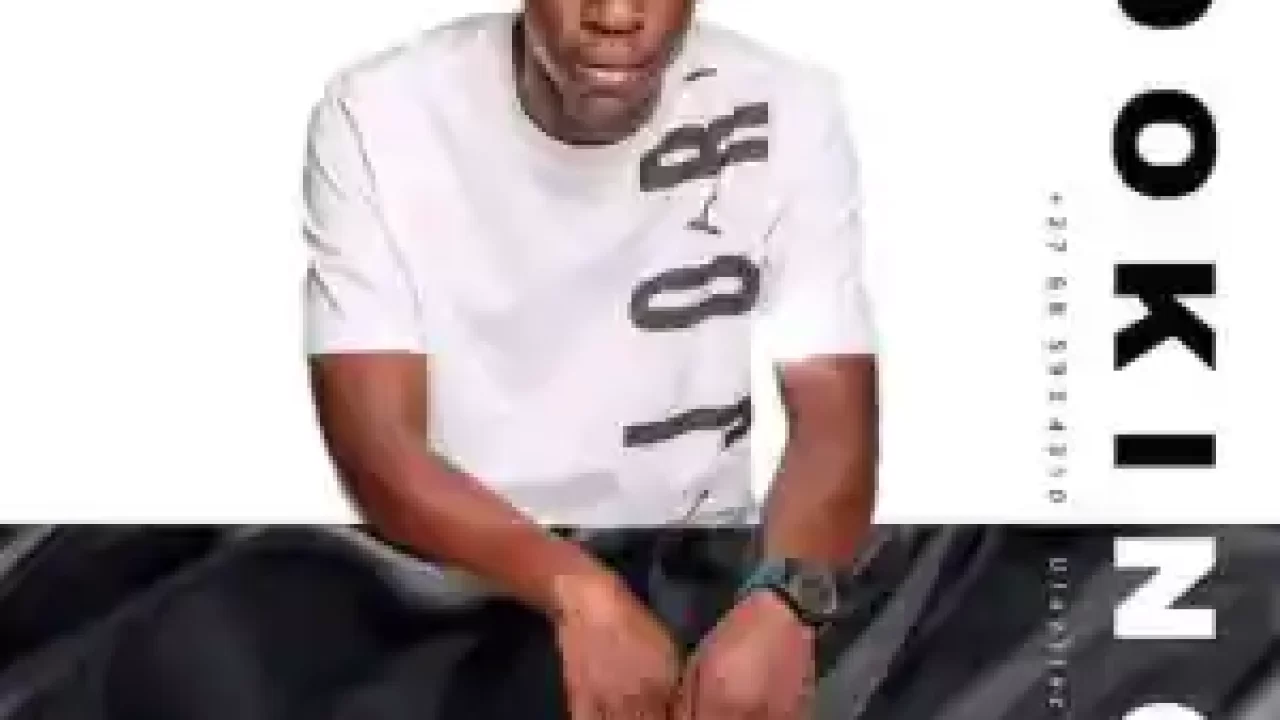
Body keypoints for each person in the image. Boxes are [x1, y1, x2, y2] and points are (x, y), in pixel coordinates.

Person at [106, 2, 881, 719]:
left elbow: (833, 417)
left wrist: (785, 600)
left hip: (693, 565)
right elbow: (377, 444)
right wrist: (576, 591)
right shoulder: (382, 113)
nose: (615, 15)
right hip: (455, 568)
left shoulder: (790, 108)